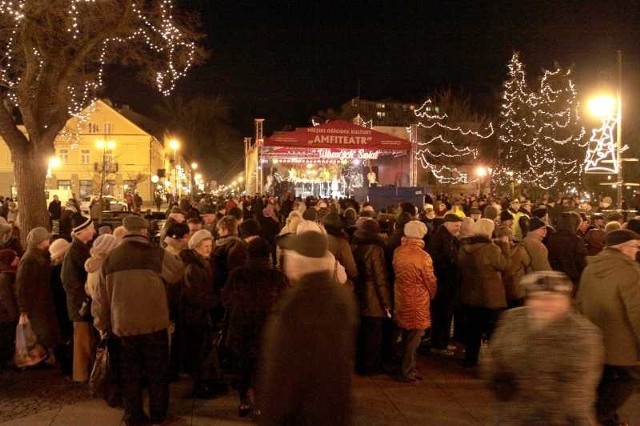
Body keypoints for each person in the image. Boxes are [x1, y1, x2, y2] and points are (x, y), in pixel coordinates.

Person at [93, 215, 184, 426]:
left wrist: (101, 325)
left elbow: (100, 298)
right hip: (155, 324)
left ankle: (133, 416)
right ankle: (159, 415)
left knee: (129, 374)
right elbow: (177, 273)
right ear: (144, 232)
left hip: (122, 327)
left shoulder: (110, 258)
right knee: (157, 373)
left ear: (125, 231)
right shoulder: (156, 253)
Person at [259, 230, 357, 425]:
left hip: (304, 412)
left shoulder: (297, 304)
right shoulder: (340, 295)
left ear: (299, 261)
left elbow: (282, 371)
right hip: (333, 407)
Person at [486, 271, 603, 425]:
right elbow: (493, 359)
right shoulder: (512, 320)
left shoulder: (582, 334)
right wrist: (499, 381)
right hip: (513, 414)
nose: (546, 304)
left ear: (567, 301)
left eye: (554, 299)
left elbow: (576, 392)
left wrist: (523, 386)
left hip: (561, 419)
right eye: (539, 298)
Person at [577, 229, 640, 426]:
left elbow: (580, 302)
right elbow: (637, 310)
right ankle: (594, 417)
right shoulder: (630, 271)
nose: (636, 252)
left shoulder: (590, 267)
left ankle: (608, 420)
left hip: (595, 337)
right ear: (623, 247)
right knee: (627, 380)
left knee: (604, 381)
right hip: (623, 342)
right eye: (635, 247)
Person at [223, 237, 289, 417]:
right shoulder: (276, 276)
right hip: (268, 328)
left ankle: (244, 400)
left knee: (242, 364)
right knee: (264, 366)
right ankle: (261, 402)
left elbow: (226, 298)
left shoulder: (238, 274)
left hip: (241, 327)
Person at [459, 218, 511, 368]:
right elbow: (505, 265)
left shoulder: (464, 247)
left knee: (472, 331)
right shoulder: (490, 248)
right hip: (489, 297)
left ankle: (470, 360)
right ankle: (493, 365)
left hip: (469, 294)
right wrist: (505, 246)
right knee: (492, 332)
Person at [393, 220, 437, 383]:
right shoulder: (423, 256)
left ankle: (407, 367)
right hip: (417, 299)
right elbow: (430, 280)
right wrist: (432, 294)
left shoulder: (399, 251)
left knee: (406, 334)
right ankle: (407, 371)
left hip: (401, 297)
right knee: (415, 337)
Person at [178, 229, 219, 399]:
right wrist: (215, 302)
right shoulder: (194, 268)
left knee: (202, 351)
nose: (209, 249)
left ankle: (203, 382)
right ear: (195, 246)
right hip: (195, 315)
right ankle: (200, 385)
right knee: (199, 351)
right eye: (205, 246)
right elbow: (196, 295)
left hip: (199, 313)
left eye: (210, 246)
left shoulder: (202, 263)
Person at [351, 218, 391, 375]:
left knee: (361, 332)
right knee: (373, 333)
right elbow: (380, 278)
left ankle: (359, 362)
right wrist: (386, 303)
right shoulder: (375, 249)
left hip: (357, 293)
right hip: (372, 296)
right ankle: (369, 365)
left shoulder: (353, 245)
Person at [16, 227, 60, 364]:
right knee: (42, 332)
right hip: (36, 304)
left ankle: (45, 357)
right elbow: (21, 286)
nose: (49, 241)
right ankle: (42, 358)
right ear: (40, 242)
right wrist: (23, 308)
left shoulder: (38, 256)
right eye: (47, 239)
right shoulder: (29, 260)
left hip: (41, 301)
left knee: (46, 331)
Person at [61, 214, 95, 382]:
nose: (94, 231)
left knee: (85, 340)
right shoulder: (75, 251)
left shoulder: (80, 248)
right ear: (82, 232)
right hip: (80, 306)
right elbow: (69, 281)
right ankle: (81, 376)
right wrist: (84, 298)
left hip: (81, 304)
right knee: (82, 342)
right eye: (91, 228)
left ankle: (84, 374)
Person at [429, 213, 462, 356]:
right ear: (447, 224)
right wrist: (452, 266)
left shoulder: (448, 237)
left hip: (447, 283)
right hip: (444, 284)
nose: (458, 228)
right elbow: (440, 260)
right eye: (456, 225)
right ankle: (439, 345)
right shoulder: (441, 239)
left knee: (445, 315)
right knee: (442, 315)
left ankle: (442, 343)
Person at [546, 212, 587, 296]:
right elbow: (581, 261)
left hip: (555, 276)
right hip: (572, 278)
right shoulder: (576, 240)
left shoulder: (552, 238)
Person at [48, 238, 73, 376]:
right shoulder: (59, 271)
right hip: (63, 307)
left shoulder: (52, 270)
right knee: (67, 336)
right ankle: (67, 366)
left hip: (59, 308)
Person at [0, 249, 18, 369]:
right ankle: (5, 361)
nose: (17, 258)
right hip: (5, 315)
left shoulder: (8, 273)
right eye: (15, 257)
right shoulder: (5, 276)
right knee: (6, 338)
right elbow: (7, 298)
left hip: (5, 314)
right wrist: (13, 315)